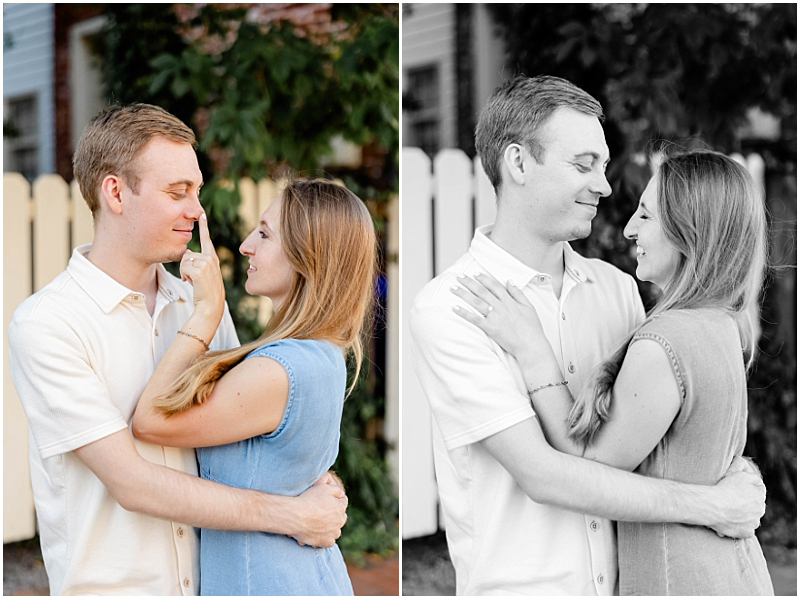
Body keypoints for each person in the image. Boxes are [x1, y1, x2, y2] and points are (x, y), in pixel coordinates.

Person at [408, 75, 767, 595]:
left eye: (602, 165)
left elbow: (659, 425)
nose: (604, 184)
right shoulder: (451, 307)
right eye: (583, 164)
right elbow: (546, 476)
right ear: (519, 163)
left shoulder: (618, 289)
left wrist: (734, 469)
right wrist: (713, 503)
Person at [8, 104, 346, 596]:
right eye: (177, 192)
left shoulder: (198, 299)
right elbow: (132, 484)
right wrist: (294, 515)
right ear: (116, 192)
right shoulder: (48, 324)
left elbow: (242, 422)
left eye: (197, 191)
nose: (197, 211)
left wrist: (314, 473)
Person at [130, 178, 377, 595]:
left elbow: (150, 420)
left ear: (308, 257)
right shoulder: (319, 356)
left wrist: (208, 312)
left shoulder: (280, 369)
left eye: (264, 234)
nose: (246, 245)